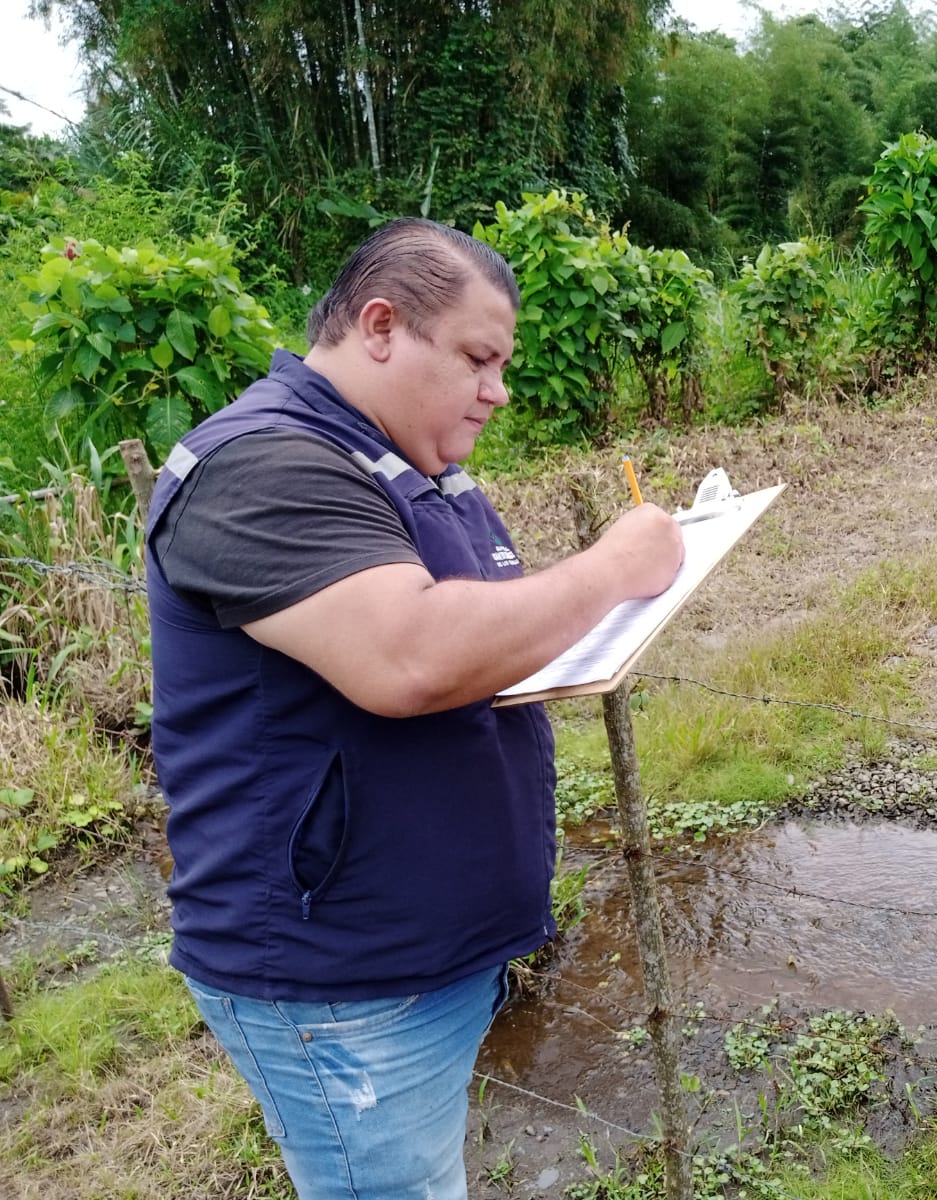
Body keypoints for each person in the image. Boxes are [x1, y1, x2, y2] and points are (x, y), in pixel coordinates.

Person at [145, 218, 684, 1200]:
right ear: (382, 326)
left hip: (415, 952)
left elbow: (484, 625)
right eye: (478, 358)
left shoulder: (401, 462)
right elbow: (411, 655)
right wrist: (612, 567)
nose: (498, 390)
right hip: (341, 981)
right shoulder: (262, 468)